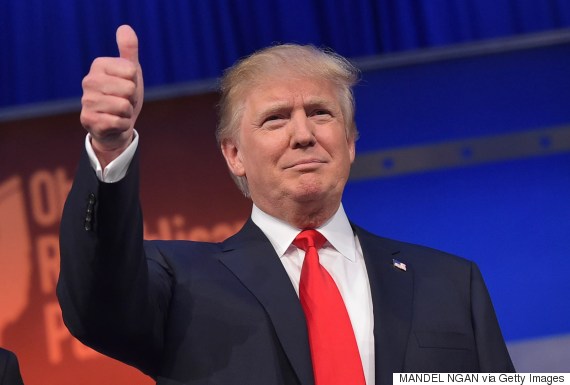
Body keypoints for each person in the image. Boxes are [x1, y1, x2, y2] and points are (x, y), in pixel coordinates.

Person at [57, 25, 515, 385]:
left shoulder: (452, 283)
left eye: (321, 113)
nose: (303, 134)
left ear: (351, 142)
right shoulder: (179, 283)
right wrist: (110, 148)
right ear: (234, 155)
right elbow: (97, 302)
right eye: (275, 119)